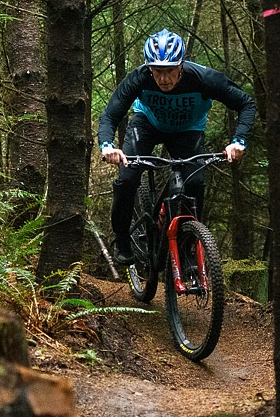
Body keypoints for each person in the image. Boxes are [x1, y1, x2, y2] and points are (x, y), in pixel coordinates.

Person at [97, 28, 256, 266]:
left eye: (170, 70)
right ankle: (122, 239)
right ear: (148, 67)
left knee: (193, 184)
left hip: (188, 130)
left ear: (181, 65)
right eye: (157, 71)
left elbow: (246, 103)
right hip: (147, 124)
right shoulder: (139, 78)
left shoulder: (204, 78)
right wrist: (108, 146)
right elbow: (110, 115)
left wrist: (238, 140)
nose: (163, 79)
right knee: (128, 178)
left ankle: (188, 247)